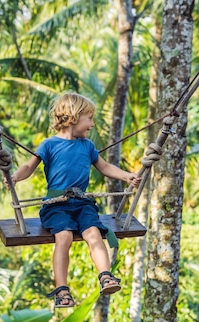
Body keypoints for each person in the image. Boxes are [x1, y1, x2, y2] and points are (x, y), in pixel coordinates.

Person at [8, 92, 141, 308]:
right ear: (73, 116)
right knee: (64, 237)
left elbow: (105, 167)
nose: (91, 124)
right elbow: (28, 167)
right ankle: (62, 290)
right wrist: (14, 177)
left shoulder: (87, 146)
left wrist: (127, 175)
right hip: (56, 205)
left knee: (93, 233)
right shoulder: (49, 145)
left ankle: (105, 276)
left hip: (82, 203)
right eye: (89, 118)